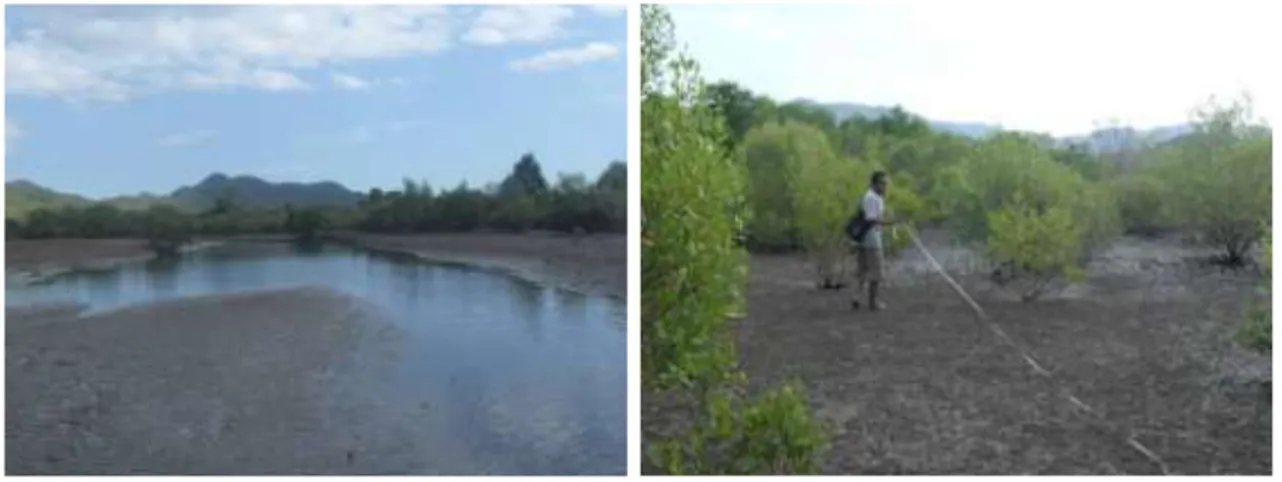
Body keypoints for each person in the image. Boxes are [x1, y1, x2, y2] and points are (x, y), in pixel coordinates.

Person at [852, 171, 893, 312]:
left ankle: (856, 298)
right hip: (871, 238)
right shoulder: (871, 197)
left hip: (867, 237)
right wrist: (888, 222)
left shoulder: (876, 197)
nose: (885, 186)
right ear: (875, 183)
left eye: (886, 183)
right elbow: (871, 219)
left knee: (863, 270)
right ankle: (872, 302)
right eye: (882, 183)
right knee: (876, 271)